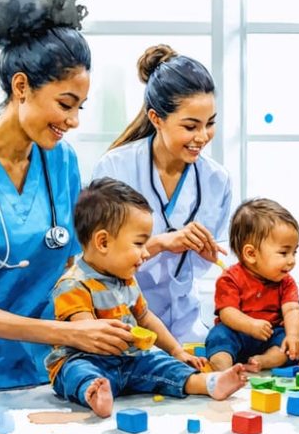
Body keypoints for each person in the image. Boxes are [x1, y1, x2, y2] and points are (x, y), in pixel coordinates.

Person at [0, 0, 133, 392]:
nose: (74, 121)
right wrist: (66, 334)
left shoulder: (61, 160)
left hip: (47, 370)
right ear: (21, 87)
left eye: (81, 106)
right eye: (65, 104)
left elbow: (73, 267)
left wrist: (95, 325)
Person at [46, 178, 246, 418]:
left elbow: (145, 317)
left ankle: (207, 383)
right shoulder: (73, 284)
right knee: (76, 371)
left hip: (128, 358)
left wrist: (175, 351)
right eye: (139, 243)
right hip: (89, 359)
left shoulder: (126, 278)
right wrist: (128, 335)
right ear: (103, 242)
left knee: (159, 362)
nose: (145, 253)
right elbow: (88, 332)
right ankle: (94, 392)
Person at [93, 44, 232, 342]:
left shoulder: (216, 180)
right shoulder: (115, 169)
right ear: (156, 118)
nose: (202, 137)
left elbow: (202, 266)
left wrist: (207, 254)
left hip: (187, 328)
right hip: (120, 324)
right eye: (190, 126)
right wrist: (160, 243)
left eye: (210, 124)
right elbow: (95, 260)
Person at [206, 198, 299, 372]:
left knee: (287, 348)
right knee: (218, 337)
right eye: (284, 252)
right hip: (236, 332)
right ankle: (224, 369)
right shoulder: (230, 278)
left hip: (269, 335)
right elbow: (227, 313)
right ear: (251, 254)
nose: (292, 261)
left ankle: (262, 361)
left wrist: (293, 335)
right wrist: (250, 325)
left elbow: (292, 310)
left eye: (294, 252)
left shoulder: (286, 282)